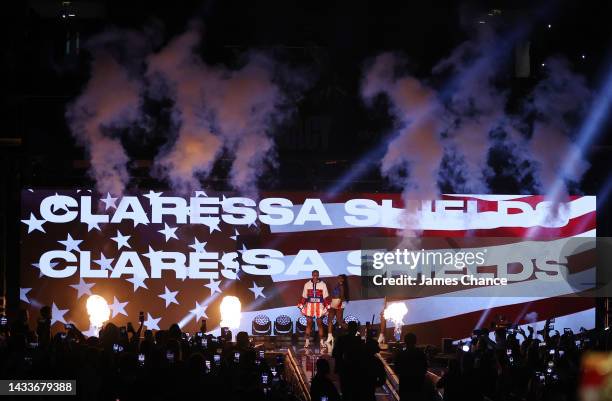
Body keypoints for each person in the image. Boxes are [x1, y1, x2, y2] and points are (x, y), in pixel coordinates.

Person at [297, 270, 330, 348]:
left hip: (320, 306)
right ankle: (307, 342)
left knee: (319, 324)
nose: (315, 276)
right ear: (312, 275)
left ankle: (321, 342)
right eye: (314, 275)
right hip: (309, 306)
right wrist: (301, 307)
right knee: (309, 324)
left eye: (317, 275)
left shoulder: (323, 284)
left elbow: (325, 298)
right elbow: (304, 297)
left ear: (318, 275)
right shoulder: (307, 284)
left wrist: (327, 308)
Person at [332, 321, 363, 401]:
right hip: (355, 368)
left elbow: (335, 353)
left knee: (345, 390)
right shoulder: (359, 341)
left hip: (345, 368)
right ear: (356, 329)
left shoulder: (342, 339)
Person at [394, 332, 429, 401]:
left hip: (405, 385)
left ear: (405, 341)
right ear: (415, 341)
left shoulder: (400, 354)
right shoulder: (421, 354)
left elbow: (396, 370)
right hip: (418, 385)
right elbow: (425, 368)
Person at [326, 274, 349, 345]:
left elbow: (342, 296)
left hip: (339, 302)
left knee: (339, 321)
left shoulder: (342, 286)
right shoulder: (338, 285)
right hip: (334, 302)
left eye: (340, 278)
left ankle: (354, 331)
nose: (338, 279)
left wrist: (339, 304)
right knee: (330, 319)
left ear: (343, 279)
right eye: (338, 278)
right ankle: (329, 336)